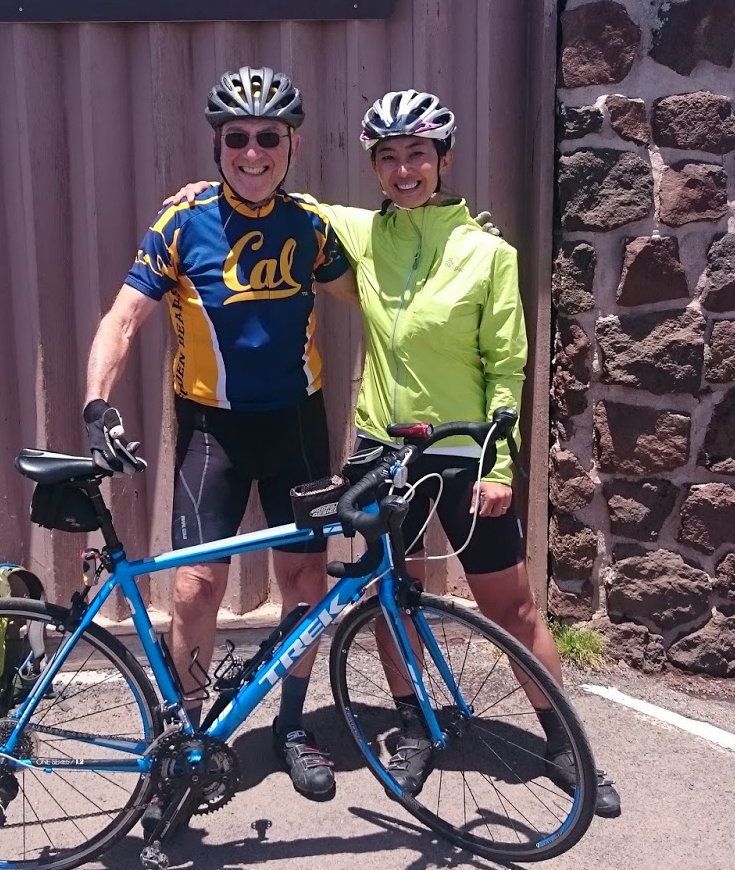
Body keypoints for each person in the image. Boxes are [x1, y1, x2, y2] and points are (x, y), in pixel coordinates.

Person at [165, 88, 621, 819]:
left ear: (444, 160)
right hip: (385, 451)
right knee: (394, 597)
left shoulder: (488, 253)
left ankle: (566, 744)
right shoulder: (359, 232)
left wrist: (500, 466)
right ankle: (413, 726)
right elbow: (270, 194)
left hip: (467, 452)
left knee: (510, 606)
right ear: (374, 166)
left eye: (417, 155)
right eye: (388, 157)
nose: (404, 170)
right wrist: (203, 191)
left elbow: (508, 368)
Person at [83, 66, 358, 804]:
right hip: (213, 430)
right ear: (217, 145)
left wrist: (460, 244)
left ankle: (292, 727)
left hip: (297, 424)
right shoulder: (181, 223)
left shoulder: (312, 227)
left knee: (305, 582)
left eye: (269, 136)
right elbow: (122, 319)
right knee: (195, 586)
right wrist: (96, 402)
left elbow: (381, 289)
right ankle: (189, 737)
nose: (253, 152)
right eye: (238, 138)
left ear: (293, 146)